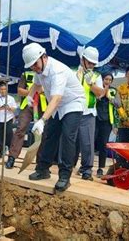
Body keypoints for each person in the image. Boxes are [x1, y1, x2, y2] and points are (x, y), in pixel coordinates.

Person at [23, 42, 85, 192]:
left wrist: (42, 120)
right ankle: (43, 169)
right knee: (50, 136)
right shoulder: (39, 70)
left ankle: (64, 176)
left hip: (73, 103)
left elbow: (56, 98)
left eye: (35, 64)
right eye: (31, 66)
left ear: (44, 57)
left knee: (67, 137)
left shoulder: (57, 71)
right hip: (57, 105)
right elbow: (37, 85)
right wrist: (30, 96)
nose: (34, 68)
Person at [6, 70, 47, 169]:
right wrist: (32, 92)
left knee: (43, 134)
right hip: (27, 106)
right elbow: (20, 91)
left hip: (43, 107)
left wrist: (43, 91)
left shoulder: (47, 75)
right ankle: (12, 157)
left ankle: (41, 163)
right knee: (20, 129)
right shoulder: (26, 74)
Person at [74, 47, 104, 181]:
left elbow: (100, 93)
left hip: (88, 113)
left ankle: (87, 169)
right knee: (70, 141)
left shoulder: (96, 76)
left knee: (87, 143)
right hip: (73, 111)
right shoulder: (72, 72)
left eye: (93, 63)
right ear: (82, 59)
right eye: (89, 62)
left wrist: (90, 83)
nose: (91, 65)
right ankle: (67, 166)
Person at [94, 73, 117, 177]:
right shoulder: (96, 89)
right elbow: (97, 97)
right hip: (95, 118)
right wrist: (102, 92)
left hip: (107, 121)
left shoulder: (112, 90)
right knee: (91, 142)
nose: (107, 81)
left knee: (103, 144)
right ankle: (85, 166)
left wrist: (106, 94)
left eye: (110, 80)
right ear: (102, 80)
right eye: (106, 79)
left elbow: (114, 102)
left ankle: (100, 168)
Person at [0, 82, 17, 158]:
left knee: (9, 133)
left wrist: (8, 107)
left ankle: (10, 150)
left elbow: (14, 109)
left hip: (8, 118)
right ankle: (1, 149)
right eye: (1, 89)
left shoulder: (11, 98)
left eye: (4, 89)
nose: (3, 91)